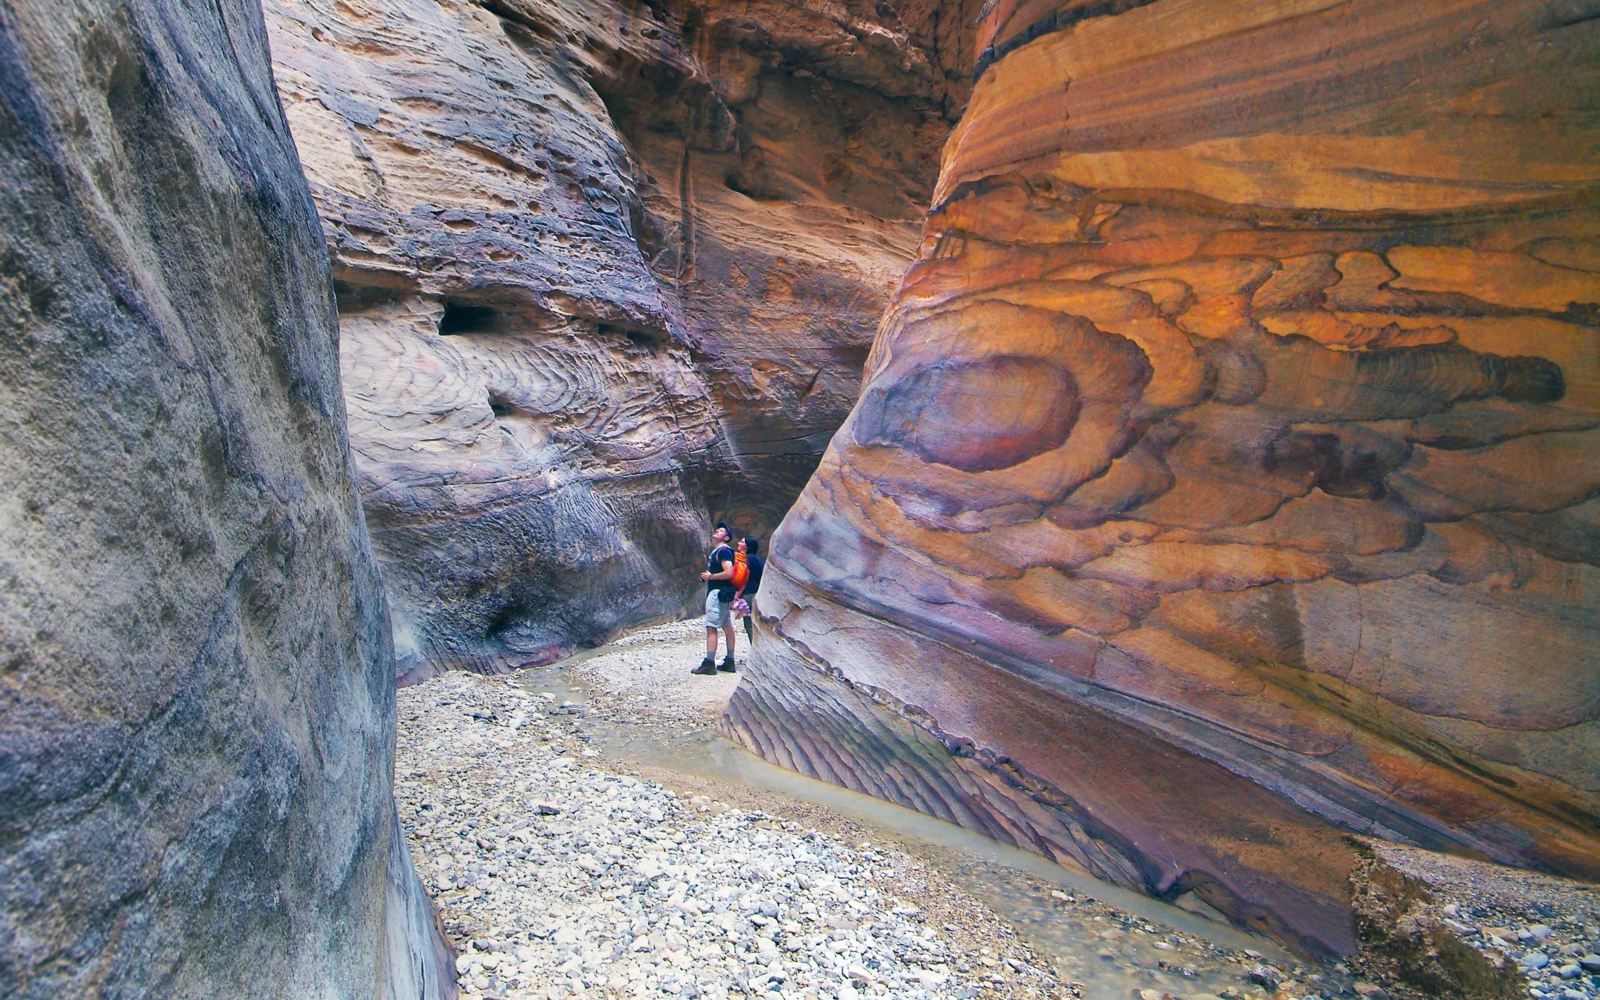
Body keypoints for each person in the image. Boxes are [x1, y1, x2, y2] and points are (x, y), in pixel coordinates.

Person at [693, 522, 737, 675]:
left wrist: (710, 576)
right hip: (723, 593)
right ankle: (730, 661)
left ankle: (709, 663)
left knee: (711, 627)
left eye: (721, 531)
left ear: (726, 537)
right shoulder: (720, 551)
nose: (717, 531)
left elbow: (729, 572)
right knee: (727, 626)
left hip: (717, 593)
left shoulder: (723, 551)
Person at [736, 537, 764, 646]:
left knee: (749, 624)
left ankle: (755, 651)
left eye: (742, 542)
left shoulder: (744, 559)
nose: (739, 543)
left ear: (747, 546)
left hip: (748, 595)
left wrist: (736, 595)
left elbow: (744, 578)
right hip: (759, 594)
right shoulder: (758, 559)